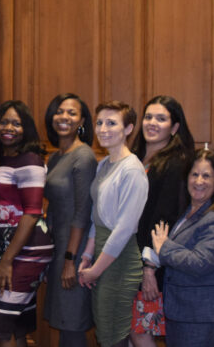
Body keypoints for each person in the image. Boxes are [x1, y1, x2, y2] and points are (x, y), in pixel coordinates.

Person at [148, 149, 214, 347]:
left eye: (206, 176)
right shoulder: (189, 211)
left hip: (202, 312)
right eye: (194, 174)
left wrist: (164, 247)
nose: (198, 181)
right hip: (183, 309)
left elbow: (200, 262)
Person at [78, 101, 147, 347]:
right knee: (105, 330)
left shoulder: (133, 169)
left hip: (120, 260)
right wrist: (88, 255)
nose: (103, 129)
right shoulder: (103, 164)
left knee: (113, 334)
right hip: (101, 255)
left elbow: (124, 229)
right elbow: (97, 216)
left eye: (112, 123)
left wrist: (96, 270)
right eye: (99, 123)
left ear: (128, 129)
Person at [130, 95, 195, 346]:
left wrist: (149, 268)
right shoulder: (134, 158)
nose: (152, 123)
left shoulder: (175, 163)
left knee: (141, 330)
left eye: (161, 118)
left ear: (175, 127)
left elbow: (164, 219)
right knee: (129, 327)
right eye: (148, 117)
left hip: (150, 262)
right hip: (126, 258)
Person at [0, 100, 49, 347]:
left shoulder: (30, 160)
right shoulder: (2, 159)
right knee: (15, 326)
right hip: (7, 245)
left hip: (26, 248)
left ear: (27, 129)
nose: (8, 127)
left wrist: (6, 261)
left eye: (16, 123)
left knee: (3, 328)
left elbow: (32, 213)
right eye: (4, 121)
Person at [42, 93, 97, 347]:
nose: (64, 117)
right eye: (60, 111)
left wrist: (69, 261)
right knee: (64, 323)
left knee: (73, 324)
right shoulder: (55, 157)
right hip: (59, 248)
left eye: (72, 113)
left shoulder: (83, 156)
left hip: (73, 251)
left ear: (82, 120)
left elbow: (82, 212)